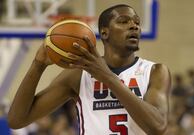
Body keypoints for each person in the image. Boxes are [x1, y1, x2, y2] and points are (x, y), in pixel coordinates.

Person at [7, 4, 171, 135]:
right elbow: (17, 120)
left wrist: (108, 77)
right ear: (104, 33)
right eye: (123, 21)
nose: (134, 26)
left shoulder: (155, 71)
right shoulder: (78, 75)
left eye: (136, 22)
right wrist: (38, 65)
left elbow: (158, 127)